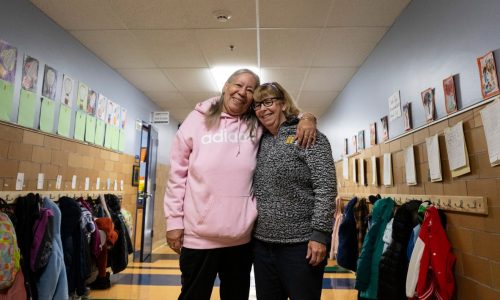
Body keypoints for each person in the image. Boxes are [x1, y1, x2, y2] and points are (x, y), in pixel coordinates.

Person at [163, 69, 317, 300]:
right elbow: (177, 174)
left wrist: (308, 117)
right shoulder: (196, 119)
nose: (242, 93)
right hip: (198, 235)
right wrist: (173, 221)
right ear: (225, 86)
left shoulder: (255, 122)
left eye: (249, 90)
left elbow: (281, 115)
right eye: (238, 85)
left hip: (240, 238)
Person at [251, 82, 337, 300]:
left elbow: (325, 188)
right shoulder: (259, 140)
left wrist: (320, 235)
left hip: (301, 246)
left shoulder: (307, 136)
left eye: (268, 102)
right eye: (257, 105)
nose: (263, 109)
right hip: (262, 246)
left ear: (282, 103)